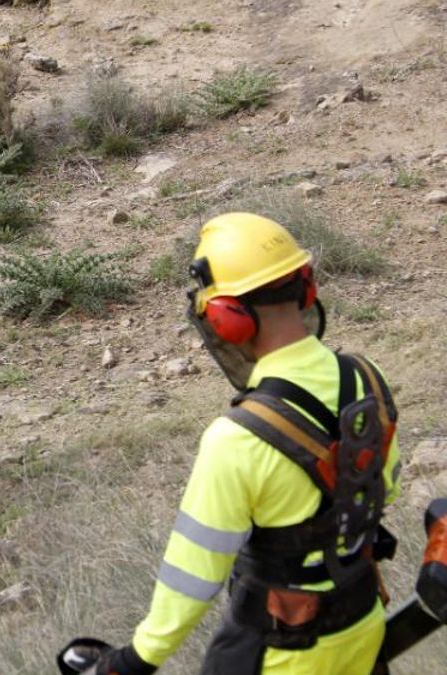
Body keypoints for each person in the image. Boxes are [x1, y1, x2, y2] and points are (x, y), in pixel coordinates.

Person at [81, 212, 401, 675]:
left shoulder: (235, 438)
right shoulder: (368, 377)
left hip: (279, 653)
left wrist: (135, 658)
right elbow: (380, 491)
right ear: (306, 288)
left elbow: (194, 574)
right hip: (363, 630)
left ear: (228, 318)